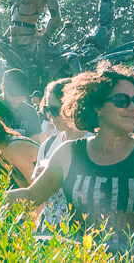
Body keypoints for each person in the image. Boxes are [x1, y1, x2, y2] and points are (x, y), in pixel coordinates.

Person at [3, 63, 134, 246]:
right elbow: (31, 196)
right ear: (98, 107)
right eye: (121, 101)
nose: (132, 107)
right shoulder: (69, 153)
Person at [32, 77, 91, 233]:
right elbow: (38, 195)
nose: (50, 116)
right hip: (49, 231)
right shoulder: (48, 146)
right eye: (46, 109)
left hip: (84, 233)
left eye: (55, 110)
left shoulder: (94, 144)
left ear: (74, 106)